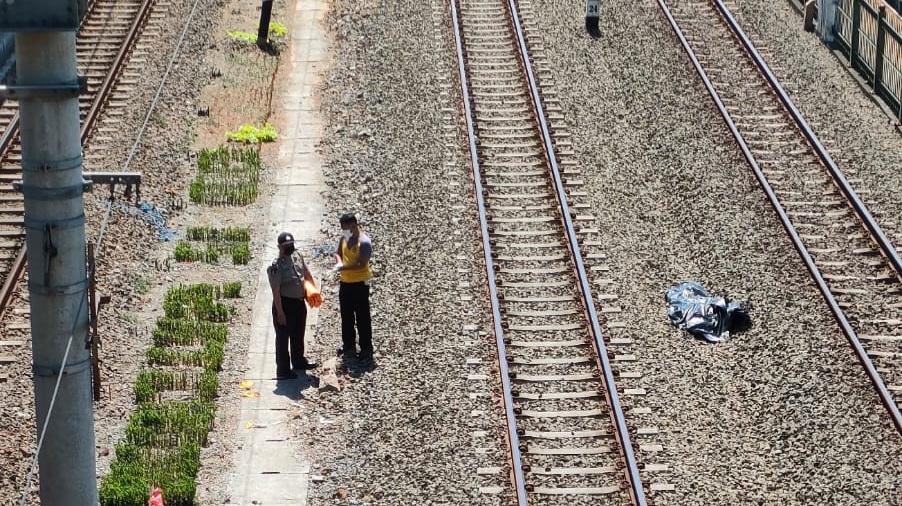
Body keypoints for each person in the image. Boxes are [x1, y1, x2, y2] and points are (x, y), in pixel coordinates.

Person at [267, 232, 318, 379]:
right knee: (283, 338)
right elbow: (275, 290)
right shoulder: (276, 265)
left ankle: (299, 361)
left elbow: (306, 273)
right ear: (279, 247)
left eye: (291, 244)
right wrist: (280, 312)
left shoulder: (297, 256)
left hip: (298, 302)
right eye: (286, 246)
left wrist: (313, 292)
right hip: (284, 304)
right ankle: (283, 370)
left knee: (298, 333)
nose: (290, 247)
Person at [333, 213, 374, 361]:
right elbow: (338, 253)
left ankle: (366, 348)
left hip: (360, 284)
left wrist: (343, 268)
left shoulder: (364, 243)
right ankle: (348, 345)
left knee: (362, 317)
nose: (344, 231)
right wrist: (338, 262)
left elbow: (361, 264)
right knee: (346, 316)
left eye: (346, 228)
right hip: (345, 283)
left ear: (354, 225)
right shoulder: (344, 238)